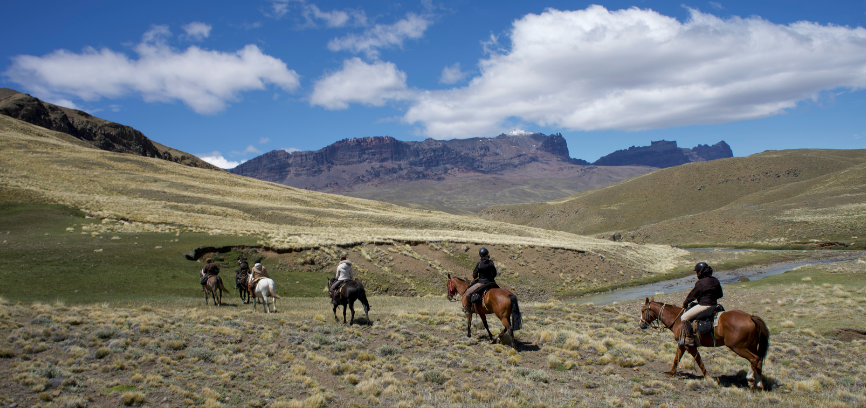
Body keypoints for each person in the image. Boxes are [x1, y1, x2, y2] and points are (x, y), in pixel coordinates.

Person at [679, 262, 724, 346]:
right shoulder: (715, 280)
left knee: (684, 317)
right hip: (714, 304)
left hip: (704, 305)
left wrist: (685, 302)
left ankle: (689, 339)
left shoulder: (700, 282)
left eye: (697, 272)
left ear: (700, 272)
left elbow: (693, 295)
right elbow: (720, 295)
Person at [462, 247, 497, 314]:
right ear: (487, 254)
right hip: (492, 282)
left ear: (480, 255)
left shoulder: (479, 264)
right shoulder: (491, 263)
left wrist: (477, 277)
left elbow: (474, 275)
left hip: (482, 283)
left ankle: (468, 309)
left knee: (468, 293)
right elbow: (495, 274)